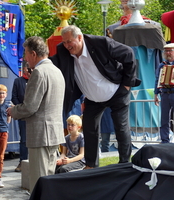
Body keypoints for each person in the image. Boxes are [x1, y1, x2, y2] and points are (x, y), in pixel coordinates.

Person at [51, 25, 141, 169]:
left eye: (69, 41)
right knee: (89, 129)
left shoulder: (101, 43)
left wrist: (127, 85)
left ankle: (125, 163)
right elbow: (52, 63)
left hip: (116, 91)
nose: (67, 45)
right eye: (64, 42)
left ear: (80, 37)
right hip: (92, 98)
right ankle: (91, 164)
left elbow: (128, 54)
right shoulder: (63, 50)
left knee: (121, 127)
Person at [7, 36, 65, 193]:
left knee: (39, 182)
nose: (25, 58)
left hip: (41, 135)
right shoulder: (57, 71)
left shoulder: (39, 72)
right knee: (49, 180)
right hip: (54, 134)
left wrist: (13, 111)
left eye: (26, 53)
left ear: (33, 53)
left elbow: (30, 107)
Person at [11, 63, 32, 172]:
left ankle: (33, 161)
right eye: (28, 69)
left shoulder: (35, 79)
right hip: (23, 115)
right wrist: (21, 108)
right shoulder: (18, 81)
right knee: (24, 139)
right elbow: (14, 97)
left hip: (34, 115)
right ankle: (22, 161)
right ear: (24, 69)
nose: (29, 72)